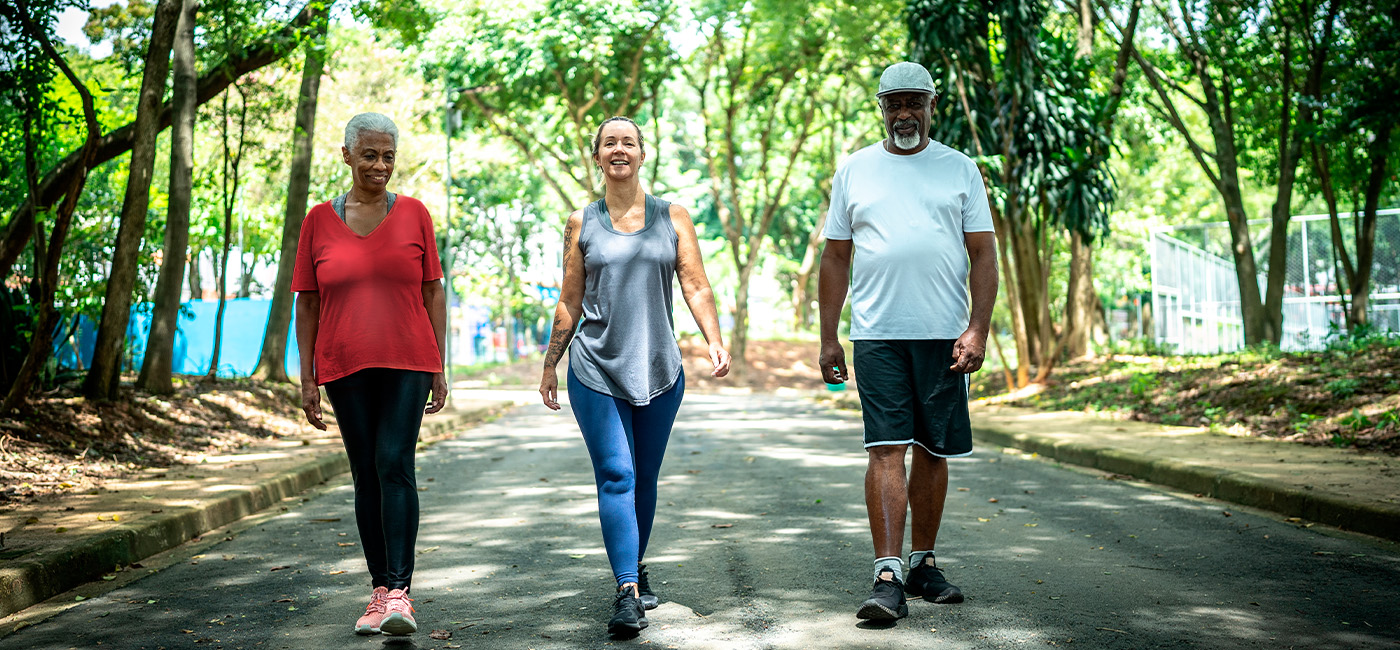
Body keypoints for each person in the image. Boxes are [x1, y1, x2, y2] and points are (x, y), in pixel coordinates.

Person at [817, 62, 998, 621]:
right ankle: (888, 573)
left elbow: (984, 253)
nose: (904, 113)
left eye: (914, 102)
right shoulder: (856, 170)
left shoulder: (959, 168)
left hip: (945, 335)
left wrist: (977, 327)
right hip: (877, 333)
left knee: (933, 448)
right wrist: (829, 337)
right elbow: (835, 256)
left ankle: (923, 563)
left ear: (932, 105)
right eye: (894, 103)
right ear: (880, 108)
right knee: (886, 447)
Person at [539, 116, 731, 638]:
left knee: (644, 478)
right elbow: (569, 299)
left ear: (643, 155)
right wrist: (551, 362)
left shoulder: (673, 216)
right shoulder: (581, 222)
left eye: (628, 142)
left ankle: (636, 563)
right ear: (597, 157)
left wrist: (713, 338)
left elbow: (696, 284)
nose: (618, 149)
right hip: (595, 368)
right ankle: (626, 590)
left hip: (659, 369)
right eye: (609, 143)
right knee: (618, 475)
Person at [292, 112, 449, 637]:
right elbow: (308, 301)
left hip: (408, 358)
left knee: (392, 462)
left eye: (387, 156)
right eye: (369, 155)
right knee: (364, 472)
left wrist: (439, 365)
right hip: (343, 363)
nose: (379, 165)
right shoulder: (317, 220)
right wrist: (308, 375)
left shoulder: (415, 215)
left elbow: (433, 291)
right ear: (347, 156)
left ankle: (401, 593)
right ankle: (379, 590)